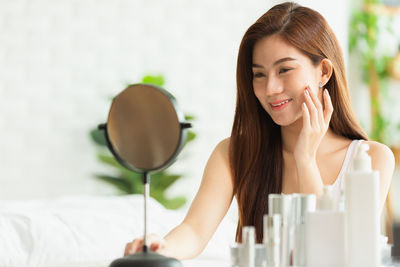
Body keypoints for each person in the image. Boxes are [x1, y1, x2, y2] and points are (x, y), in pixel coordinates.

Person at [124, 1, 395, 260]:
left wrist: (305, 159)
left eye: (285, 69)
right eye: (259, 74)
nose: (270, 89)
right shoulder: (233, 153)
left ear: (323, 71)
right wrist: (160, 248)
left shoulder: (373, 159)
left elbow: (331, 255)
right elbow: (194, 231)